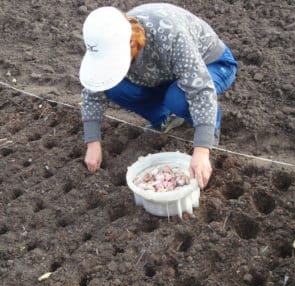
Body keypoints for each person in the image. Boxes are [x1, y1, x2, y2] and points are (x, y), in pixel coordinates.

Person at [79, 3, 237, 189]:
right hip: (165, 73)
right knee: (116, 87)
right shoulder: (105, 41)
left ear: (131, 42)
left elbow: (200, 89)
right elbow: (94, 89)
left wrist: (202, 149)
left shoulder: (169, 36)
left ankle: (213, 124)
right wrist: (92, 142)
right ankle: (165, 118)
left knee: (177, 98)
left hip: (212, 64)